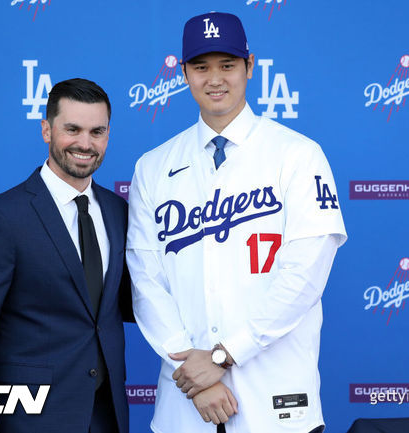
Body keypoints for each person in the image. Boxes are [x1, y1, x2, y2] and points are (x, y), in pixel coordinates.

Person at [127, 12, 347, 433]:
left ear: (249, 66)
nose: (215, 79)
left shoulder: (298, 155)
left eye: (227, 65)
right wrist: (194, 372)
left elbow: (304, 275)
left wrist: (223, 356)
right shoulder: (153, 166)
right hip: (185, 405)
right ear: (184, 72)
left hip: (278, 402)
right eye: (201, 67)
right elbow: (146, 280)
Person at [0, 78, 133, 433]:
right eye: (72, 129)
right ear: (46, 130)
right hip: (31, 420)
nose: (85, 143)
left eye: (97, 131)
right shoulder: (0, 219)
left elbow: (130, 303)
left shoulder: (118, 211)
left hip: (107, 417)